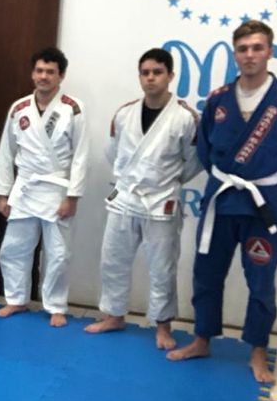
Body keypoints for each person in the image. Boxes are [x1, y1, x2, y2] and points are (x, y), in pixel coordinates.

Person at [169, 21, 277, 383]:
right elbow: (205, 150)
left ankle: (257, 350)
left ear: (270, 51)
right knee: (206, 273)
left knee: (261, 279)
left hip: (263, 204)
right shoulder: (218, 98)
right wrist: (229, 178)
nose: (250, 55)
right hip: (221, 200)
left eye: (257, 48)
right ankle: (202, 338)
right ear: (235, 54)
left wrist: (270, 180)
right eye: (243, 49)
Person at [84, 48, 201, 349]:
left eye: (157, 72)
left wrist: (166, 183)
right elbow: (114, 153)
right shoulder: (124, 114)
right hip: (125, 197)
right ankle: (114, 315)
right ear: (139, 77)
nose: (150, 78)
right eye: (145, 73)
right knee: (113, 260)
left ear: (170, 76)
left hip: (161, 201)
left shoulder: (185, 118)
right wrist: (130, 181)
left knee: (162, 267)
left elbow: (193, 161)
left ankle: (162, 326)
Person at [0, 47, 88, 327]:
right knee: (13, 248)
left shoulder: (73, 108)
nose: (43, 76)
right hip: (25, 187)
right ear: (32, 73)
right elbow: (6, 152)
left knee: (58, 253)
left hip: (57, 188)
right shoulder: (19, 108)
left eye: (50, 72)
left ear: (61, 76)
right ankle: (16, 299)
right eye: (39, 71)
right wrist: (3, 193)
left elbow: (81, 154)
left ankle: (56, 305)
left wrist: (73, 196)